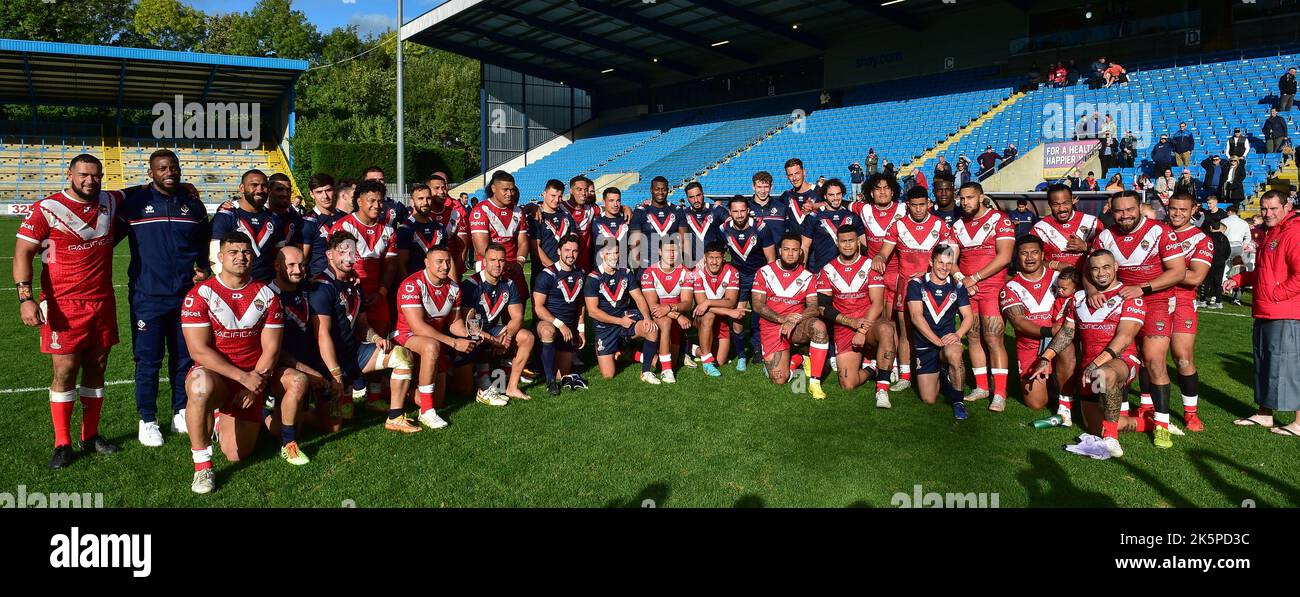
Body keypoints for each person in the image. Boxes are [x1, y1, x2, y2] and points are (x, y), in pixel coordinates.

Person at [14, 154, 123, 468]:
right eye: (84, 175)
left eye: (96, 175)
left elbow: (144, 190)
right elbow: (23, 251)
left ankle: (90, 436)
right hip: (63, 304)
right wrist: (26, 298)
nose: (90, 181)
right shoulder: (47, 209)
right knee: (64, 370)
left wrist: (183, 186)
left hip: (102, 301)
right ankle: (62, 443)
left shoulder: (110, 201)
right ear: (70, 174)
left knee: (98, 366)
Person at [181, 232, 306, 493]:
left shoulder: (267, 295)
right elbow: (198, 351)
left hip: (254, 378)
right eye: (233, 252)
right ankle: (202, 468)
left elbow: (272, 348)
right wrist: (242, 378)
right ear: (220, 257)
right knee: (198, 384)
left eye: (246, 252)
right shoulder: (199, 294)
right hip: (220, 378)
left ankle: (236, 418)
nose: (241, 257)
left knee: (238, 454)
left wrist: (254, 384)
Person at [118, 149, 211, 448]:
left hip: (185, 297)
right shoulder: (135, 205)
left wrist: (204, 269)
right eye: (161, 168)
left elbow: (203, 248)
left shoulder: (193, 207)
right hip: (147, 296)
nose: (169, 172)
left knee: (184, 358)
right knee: (148, 360)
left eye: (173, 167)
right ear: (151, 173)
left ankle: (180, 410)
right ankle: (147, 419)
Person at [1089, 191, 1186, 449]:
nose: (1125, 215)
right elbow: (1088, 269)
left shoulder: (1160, 231)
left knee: (1154, 361)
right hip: (1118, 304)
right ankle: (1119, 416)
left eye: (1130, 209)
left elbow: (1178, 271)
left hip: (1154, 302)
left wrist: (1142, 288)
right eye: (1119, 211)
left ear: (1139, 208)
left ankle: (1162, 425)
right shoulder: (1105, 236)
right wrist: (1092, 293)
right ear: (1111, 210)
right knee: (1117, 358)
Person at [1030, 249, 1146, 458]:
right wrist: (1045, 357)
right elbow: (1067, 331)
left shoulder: (1129, 296)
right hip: (1088, 370)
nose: (1101, 273)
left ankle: (1112, 441)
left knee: (1104, 375)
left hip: (1121, 361)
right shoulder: (1078, 298)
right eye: (1095, 268)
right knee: (1095, 429)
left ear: (1116, 268)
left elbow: (1125, 337)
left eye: (1106, 267)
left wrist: (1097, 364)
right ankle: (1149, 423)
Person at [313, 230, 425, 430]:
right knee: (335, 426)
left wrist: (375, 339)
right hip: (327, 361)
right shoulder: (321, 287)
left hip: (353, 353)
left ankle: (395, 417)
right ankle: (293, 414)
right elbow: (322, 336)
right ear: (329, 254)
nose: (349, 257)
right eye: (343, 252)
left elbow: (362, 324)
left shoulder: (354, 285)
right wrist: (336, 373)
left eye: (352, 252)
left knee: (402, 355)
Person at [1226, 191, 1300, 434]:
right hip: (1266, 310)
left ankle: (1299, 422)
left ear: (1287, 207)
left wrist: (1275, 295)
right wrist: (1239, 279)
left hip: (1286, 312)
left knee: (1291, 366)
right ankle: (1265, 414)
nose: (1267, 214)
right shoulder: (1273, 234)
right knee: (1264, 363)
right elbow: (1265, 272)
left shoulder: (1294, 232)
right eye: (1264, 209)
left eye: (1273, 209)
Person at [873, 185, 957, 392]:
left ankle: (942, 370)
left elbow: (949, 257)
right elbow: (885, 251)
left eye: (922, 205)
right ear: (907, 205)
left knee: (936, 327)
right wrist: (879, 256)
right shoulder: (897, 226)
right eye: (914, 205)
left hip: (933, 284)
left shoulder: (940, 225)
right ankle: (905, 375)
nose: (919, 209)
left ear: (928, 203)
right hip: (906, 284)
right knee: (905, 330)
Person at [269, 246, 337, 459]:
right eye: (291, 265)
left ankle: (299, 411)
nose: (298, 270)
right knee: (281, 431)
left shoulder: (308, 289)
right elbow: (274, 351)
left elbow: (335, 282)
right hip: (280, 368)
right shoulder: (266, 296)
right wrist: (308, 372)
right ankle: (271, 421)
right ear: (277, 266)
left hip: (310, 364)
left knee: (333, 425)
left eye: (302, 265)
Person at [953, 182, 1015, 411]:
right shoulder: (958, 225)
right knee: (974, 336)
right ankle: (981, 387)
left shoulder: (1000, 220)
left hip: (991, 288)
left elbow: (1005, 256)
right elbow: (950, 258)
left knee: (993, 338)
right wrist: (962, 279)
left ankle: (999, 393)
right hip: (968, 289)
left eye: (970, 197)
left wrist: (975, 277)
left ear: (981, 198)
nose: (965, 202)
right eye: (962, 198)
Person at [817, 225, 894, 405]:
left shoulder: (870, 265)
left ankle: (882, 390)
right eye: (843, 241)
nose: (848, 245)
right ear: (837, 243)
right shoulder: (827, 270)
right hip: (845, 327)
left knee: (886, 329)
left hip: (870, 323)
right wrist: (852, 324)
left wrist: (861, 330)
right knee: (848, 384)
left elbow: (878, 303)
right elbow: (823, 308)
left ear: (858, 243)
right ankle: (873, 369)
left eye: (851, 241)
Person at [751, 233, 830, 399]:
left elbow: (814, 307)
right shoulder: (764, 272)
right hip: (772, 325)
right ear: (780, 250)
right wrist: (783, 319)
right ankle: (798, 358)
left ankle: (814, 384)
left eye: (795, 250)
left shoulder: (808, 276)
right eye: (786, 249)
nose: (790, 253)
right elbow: (758, 305)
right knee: (779, 379)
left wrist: (796, 319)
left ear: (800, 252)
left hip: (797, 325)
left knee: (819, 327)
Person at [1001, 236, 1070, 423]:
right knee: (1036, 403)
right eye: (1024, 253)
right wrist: (1049, 331)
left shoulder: (1059, 278)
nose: (1029, 258)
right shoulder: (1010, 287)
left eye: (1034, 252)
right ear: (1017, 256)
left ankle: (1065, 401)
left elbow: (1077, 270)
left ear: (1042, 255)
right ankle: (1054, 383)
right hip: (1030, 346)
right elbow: (1019, 322)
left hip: (1060, 341)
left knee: (1066, 344)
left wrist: (1053, 264)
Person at [454, 242, 534, 403]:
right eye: (493, 260)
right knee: (464, 390)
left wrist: (507, 337)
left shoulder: (509, 284)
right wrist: (494, 340)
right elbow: (469, 323)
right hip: (470, 335)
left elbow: (517, 316)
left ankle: (511, 387)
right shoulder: (471, 285)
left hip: (493, 331)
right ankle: (477, 376)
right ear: (484, 262)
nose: (497, 264)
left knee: (527, 337)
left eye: (501, 260)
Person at [708, 196, 776, 372]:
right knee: (737, 316)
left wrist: (769, 281)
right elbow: (717, 251)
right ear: (730, 212)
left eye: (742, 210)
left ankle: (758, 349)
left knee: (760, 313)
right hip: (738, 277)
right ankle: (741, 355)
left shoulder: (760, 228)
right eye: (735, 211)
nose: (739, 215)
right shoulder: (723, 229)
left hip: (759, 275)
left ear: (748, 211)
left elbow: (771, 259)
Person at [1165, 193, 1215, 432]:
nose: (1177, 214)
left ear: (1193, 209)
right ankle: (1145, 407)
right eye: (1173, 208)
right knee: (1147, 357)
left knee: (1182, 357)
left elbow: (1196, 276)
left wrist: (1169, 272)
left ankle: (1190, 413)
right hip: (1154, 299)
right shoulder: (1157, 233)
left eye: (1183, 210)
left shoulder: (1200, 239)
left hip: (1183, 301)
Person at [906, 245, 974, 419]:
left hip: (948, 343)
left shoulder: (958, 287)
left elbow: (968, 317)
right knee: (929, 399)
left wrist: (958, 335)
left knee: (954, 354)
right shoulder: (916, 284)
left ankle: (958, 402)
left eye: (949, 264)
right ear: (931, 262)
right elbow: (916, 317)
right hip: (926, 344)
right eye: (940, 262)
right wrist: (936, 341)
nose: (944, 267)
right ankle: (944, 373)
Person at [585, 240, 660, 382]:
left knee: (651, 329)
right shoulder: (593, 278)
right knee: (608, 375)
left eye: (616, 252)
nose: (613, 257)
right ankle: (627, 353)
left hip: (626, 319)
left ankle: (646, 372)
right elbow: (592, 311)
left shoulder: (625, 273)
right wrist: (620, 321)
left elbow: (638, 297)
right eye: (609, 253)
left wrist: (647, 317)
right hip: (605, 326)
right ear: (601, 254)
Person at [209, 170, 296, 283]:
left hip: (267, 284)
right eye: (254, 185)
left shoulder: (274, 218)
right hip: (236, 284)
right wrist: (229, 285)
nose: (259, 190)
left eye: (264, 186)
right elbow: (215, 255)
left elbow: (279, 255)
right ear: (242, 188)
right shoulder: (227, 215)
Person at [532, 234, 588, 395]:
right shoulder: (546, 275)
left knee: (563, 375)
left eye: (574, 251)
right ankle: (550, 383)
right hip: (549, 323)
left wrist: (581, 329)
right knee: (548, 331)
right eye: (567, 250)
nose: (570, 255)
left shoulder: (581, 274)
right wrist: (559, 324)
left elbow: (580, 304)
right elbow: (538, 308)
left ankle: (550, 372)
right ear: (558, 251)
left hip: (568, 328)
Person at [639, 237, 695, 383]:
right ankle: (666, 370)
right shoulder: (649, 272)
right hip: (658, 316)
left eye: (674, 251)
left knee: (674, 360)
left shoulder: (686, 272)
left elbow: (687, 303)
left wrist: (670, 309)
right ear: (659, 252)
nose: (671, 254)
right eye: (667, 251)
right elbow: (653, 307)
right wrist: (677, 316)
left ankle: (637, 354)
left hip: (674, 313)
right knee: (665, 322)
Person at [470, 170, 529, 295]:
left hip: (514, 268)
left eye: (512, 189)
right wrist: (503, 264)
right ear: (493, 188)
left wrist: (520, 262)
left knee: (518, 310)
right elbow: (482, 248)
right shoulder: (481, 210)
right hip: (490, 268)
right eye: (505, 189)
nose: (509, 194)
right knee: (490, 311)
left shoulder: (518, 211)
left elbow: (523, 242)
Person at [691, 242, 744, 376]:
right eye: (711, 258)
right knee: (709, 316)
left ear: (723, 258)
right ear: (705, 258)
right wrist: (728, 311)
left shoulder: (732, 272)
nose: (714, 262)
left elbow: (731, 302)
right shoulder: (697, 273)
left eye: (718, 258)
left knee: (720, 361)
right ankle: (707, 364)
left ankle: (693, 350)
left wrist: (708, 302)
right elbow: (701, 307)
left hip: (722, 320)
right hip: (701, 318)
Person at [802, 179, 863, 272]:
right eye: (831, 195)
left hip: (849, 272)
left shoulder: (852, 216)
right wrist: (801, 272)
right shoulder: (814, 216)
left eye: (838, 194)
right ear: (825, 196)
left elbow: (864, 243)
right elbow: (805, 247)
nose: (835, 198)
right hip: (822, 271)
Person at [1034, 184, 1099, 271]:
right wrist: (1055, 265)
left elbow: (1107, 253)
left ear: (1072, 200)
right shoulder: (1039, 229)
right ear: (1049, 204)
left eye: (1066, 203)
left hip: (1087, 281)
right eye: (1056, 204)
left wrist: (1085, 246)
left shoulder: (1092, 222)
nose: (1062, 209)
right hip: (1054, 283)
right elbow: (1030, 262)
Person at [529, 179, 580, 290]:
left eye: (560, 196)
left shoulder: (566, 215)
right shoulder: (536, 216)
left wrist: (565, 268)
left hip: (566, 271)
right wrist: (555, 269)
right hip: (543, 273)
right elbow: (535, 248)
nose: (556, 200)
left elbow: (573, 239)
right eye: (553, 195)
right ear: (544, 194)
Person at [629, 176, 686, 270]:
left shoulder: (677, 211)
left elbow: (683, 241)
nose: (660, 192)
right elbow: (635, 242)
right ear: (651, 190)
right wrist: (637, 266)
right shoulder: (641, 211)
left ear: (668, 190)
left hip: (671, 263)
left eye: (663, 189)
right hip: (647, 263)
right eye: (657, 189)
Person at [394, 184, 448, 278]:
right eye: (420, 198)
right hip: (415, 285)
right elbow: (400, 264)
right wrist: (409, 287)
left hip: (437, 285)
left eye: (428, 198)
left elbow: (447, 259)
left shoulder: (440, 227)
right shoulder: (404, 229)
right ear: (412, 202)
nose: (425, 202)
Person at [425, 174, 469, 275]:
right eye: (437, 188)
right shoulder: (422, 215)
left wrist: (455, 274)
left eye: (444, 188)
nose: (441, 191)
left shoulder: (456, 214)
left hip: (449, 271)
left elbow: (462, 248)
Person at [302, 173, 343, 276]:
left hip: (344, 279)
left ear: (334, 190)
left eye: (328, 190)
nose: (325, 196)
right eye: (319, 192)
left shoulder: (345, 218)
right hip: (318, 282)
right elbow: (302, 260)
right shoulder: (307, 222)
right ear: (312, 194)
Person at [682, 181, 726, 267]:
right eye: (691, 197)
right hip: (695, 265)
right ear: (687, 198)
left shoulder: (716, 210)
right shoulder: (683, 213)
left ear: (703, 194)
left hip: (715, 264)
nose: (696, 200)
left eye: (698, 195)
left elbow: (732, 223)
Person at [562, 175, 598, 272]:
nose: (583, 193)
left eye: (586, 190)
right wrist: (532, 206)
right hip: (565, 265)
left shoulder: (592, 209)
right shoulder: (561, 208)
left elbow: (609, 209)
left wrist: (625, 208)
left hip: (585, 265)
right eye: (579, 189)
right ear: (571, 191)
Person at [592, 186, 631, 269]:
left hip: (622, 270)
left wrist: (627, 208)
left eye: (618, 201)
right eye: (611, 201)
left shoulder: (627, 219)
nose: (615, 204)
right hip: (601, 271)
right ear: (604, 202)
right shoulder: (595, 221)